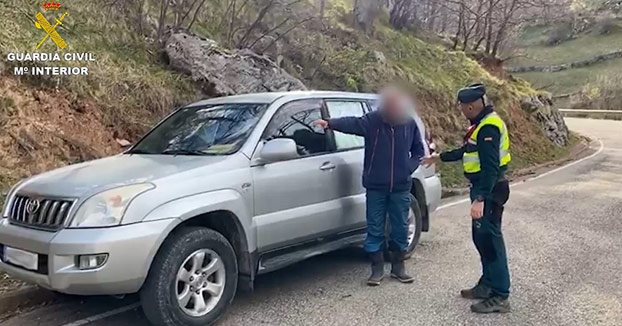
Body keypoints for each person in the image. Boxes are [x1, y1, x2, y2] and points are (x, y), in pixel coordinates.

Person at [315, 87, 425, 286]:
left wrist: (408, 167)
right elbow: (352, 123)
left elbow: (419, 150)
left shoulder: (409, 123)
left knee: (400, 227)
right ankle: (376, 270)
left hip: (400, 186)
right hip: (376, 186)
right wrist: (329, 123)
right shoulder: (373, 121)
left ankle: (398, 268)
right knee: (374, 228)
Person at [421, 83, 511, 313]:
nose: (460, 110)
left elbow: (491, 168)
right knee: (481, 239)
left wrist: (480, 198)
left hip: (489, 190)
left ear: (470, 106)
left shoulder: (488, 128)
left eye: (461, 106)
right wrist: (439, 157)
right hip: (484, 189)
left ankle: (500, 295)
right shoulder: (480, 125)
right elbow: (466, 151)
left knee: (490, 241)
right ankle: (488, 284)